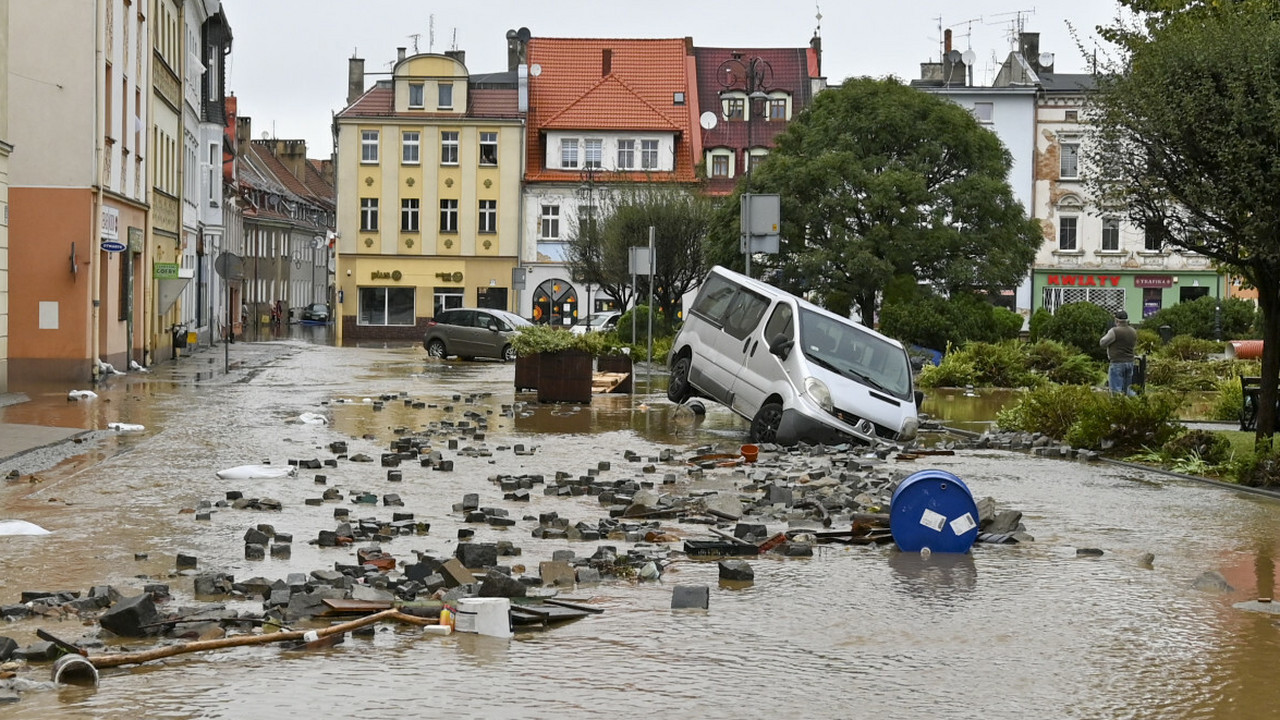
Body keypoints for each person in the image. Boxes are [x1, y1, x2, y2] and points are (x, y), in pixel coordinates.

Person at [1100, 309, 1138, 395]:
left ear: (1116, 320)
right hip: (1130, 362)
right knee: (1127, 389)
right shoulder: (1133, 331)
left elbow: (1102, 342)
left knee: (1116, 391)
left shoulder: (1114, 331)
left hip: (1117, 363)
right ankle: (1135, 403)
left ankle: (1117, 407)